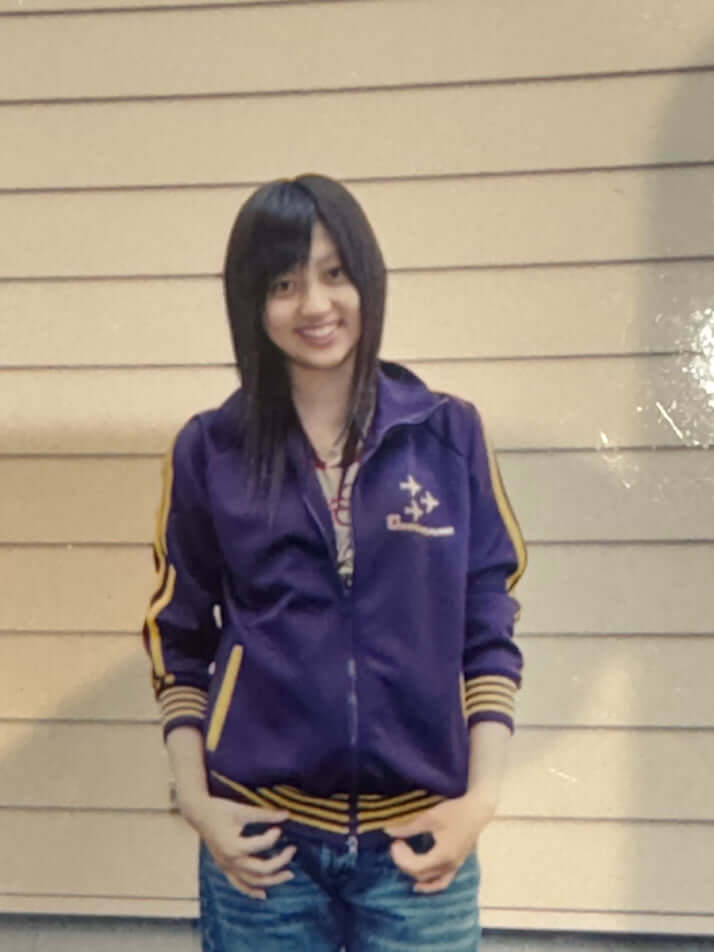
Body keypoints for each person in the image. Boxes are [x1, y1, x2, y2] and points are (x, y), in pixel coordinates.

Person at [142, 173, 526, 951]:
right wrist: (198, 801)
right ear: (252, 302)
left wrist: (480, 799)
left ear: (367, 279)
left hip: (420, 840)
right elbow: (177, 640)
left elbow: (488, 624)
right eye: (283, 284)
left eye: (334, 273)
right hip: (264, 847)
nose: (315, 305)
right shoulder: (209, 450)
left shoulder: (448, 435)